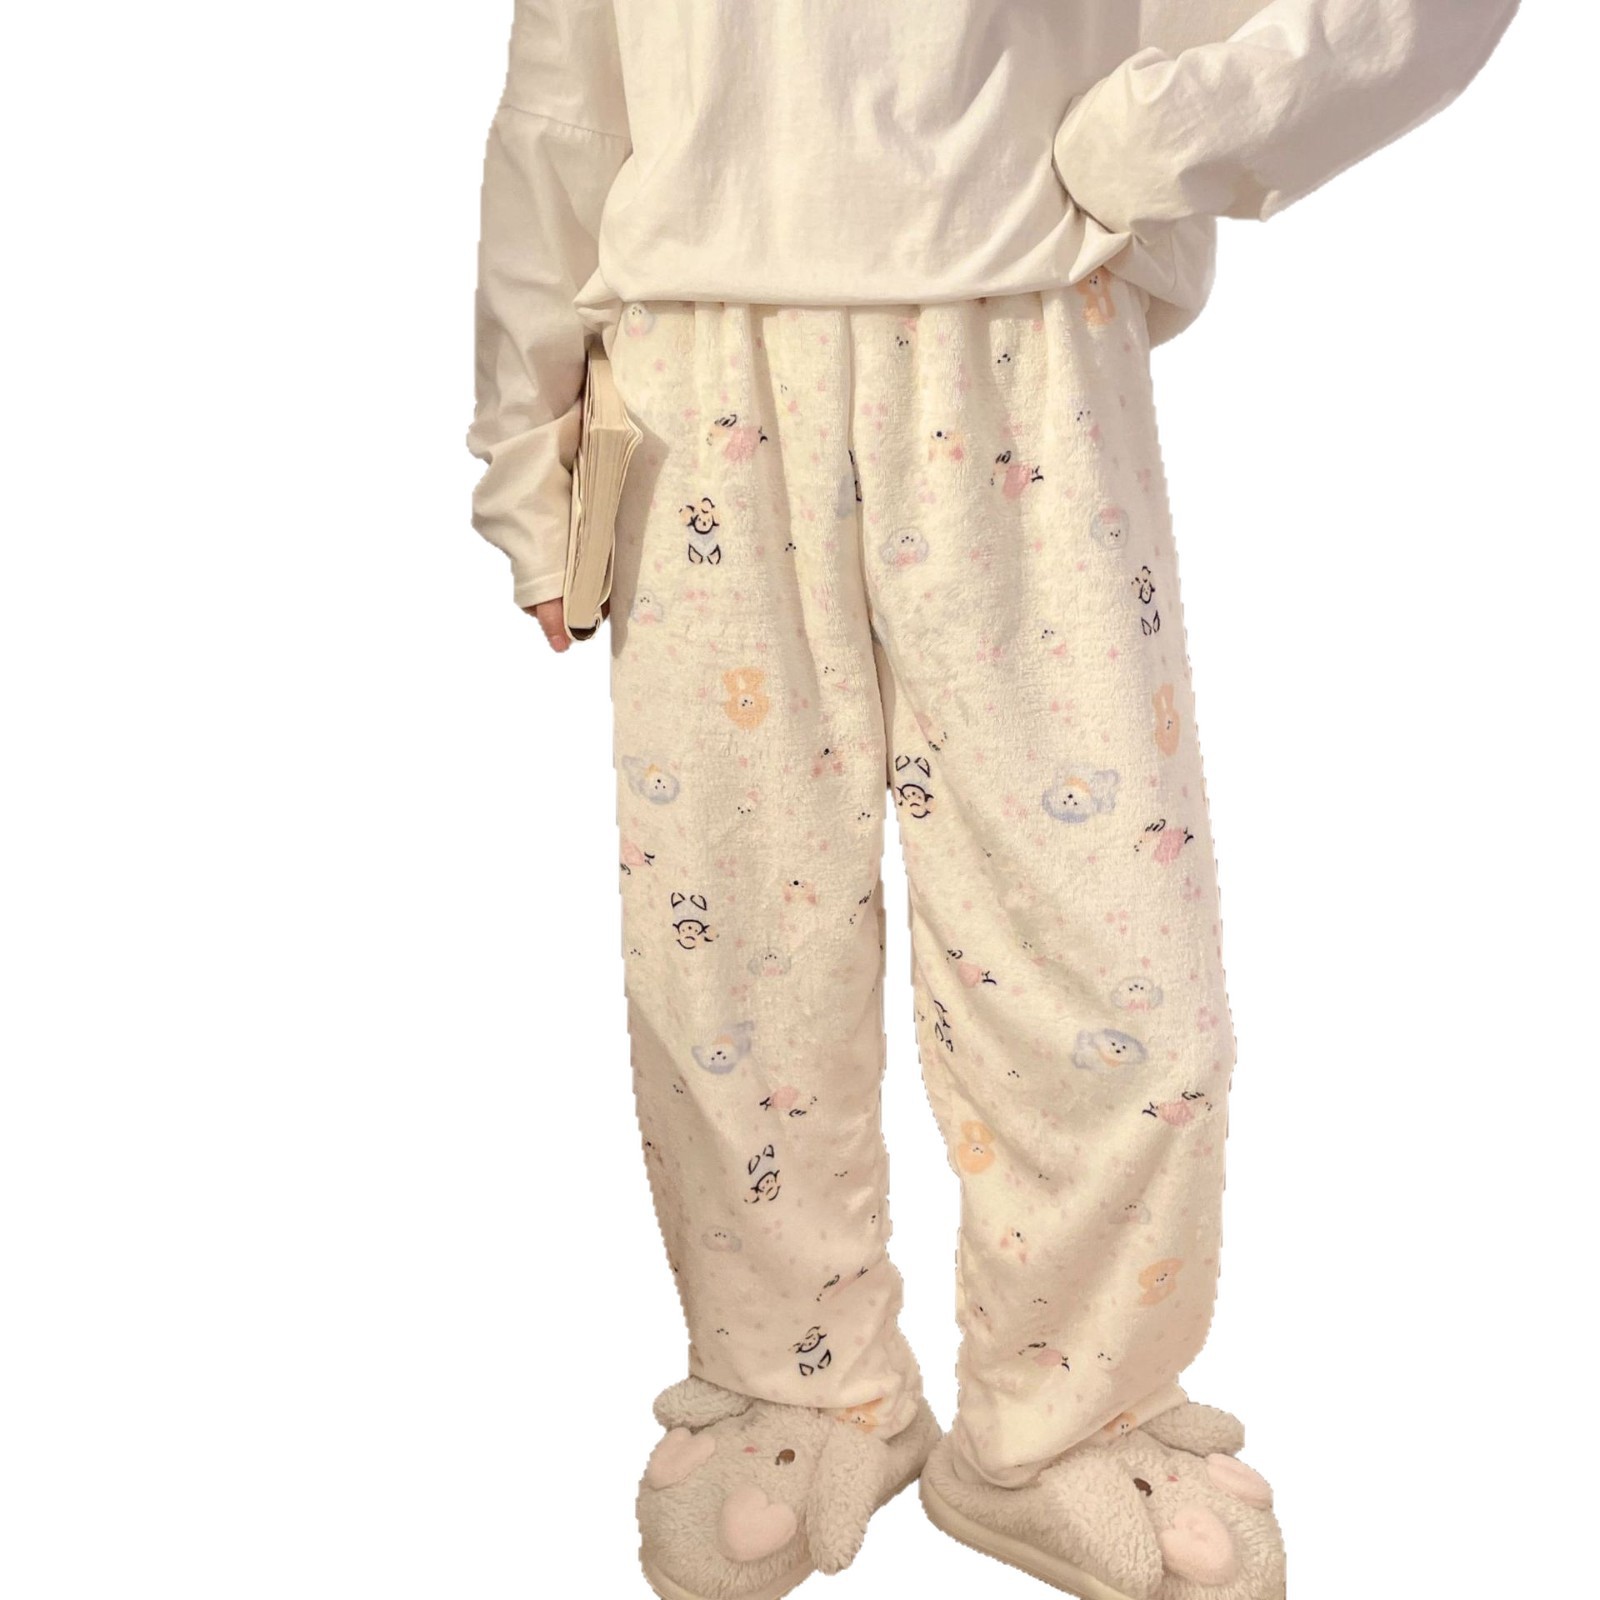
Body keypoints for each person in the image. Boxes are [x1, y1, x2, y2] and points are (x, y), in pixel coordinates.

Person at [466, 5, 1519, 1597]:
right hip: (696, 366)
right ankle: (796, 1380)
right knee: (732, 952)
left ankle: (1070, 1414)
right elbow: (564, 100)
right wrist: (528, 445)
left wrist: (1167, 132)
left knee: (1111, 955)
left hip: (1019, 343)